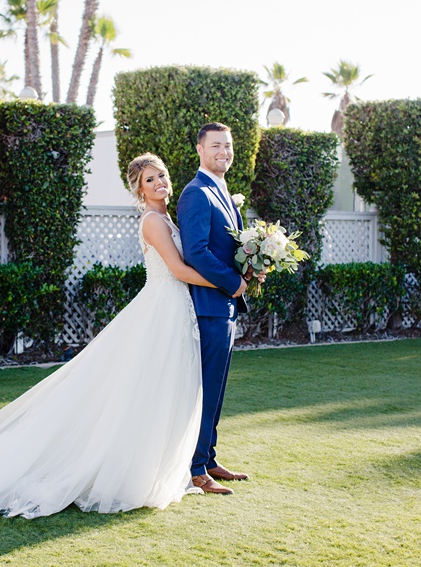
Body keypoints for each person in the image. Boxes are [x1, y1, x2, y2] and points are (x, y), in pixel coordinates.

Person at [0, 153, 228, 526]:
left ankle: (152, 466)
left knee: (157, 389)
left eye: (161, 175)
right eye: (150, 180)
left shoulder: (167, 217)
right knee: (139, 389)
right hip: (160, 309)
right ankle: (128, 472)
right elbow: (178, 269)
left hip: (174, 311)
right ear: (139, 189)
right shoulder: (153, 221)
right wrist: (229, 281)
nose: (159, 182)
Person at [177, 122, 250, 496]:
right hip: (208, 307)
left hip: (225, 306)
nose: (225, 152)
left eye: (229, 146)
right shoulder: (195, 193)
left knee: (217, 389)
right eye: (217, 145)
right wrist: (234, 282)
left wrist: (253, 267)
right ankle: (193, 469)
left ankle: (208, 458)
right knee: (204, 389)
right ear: (200, 150)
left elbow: (228, 248)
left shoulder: (220, 190)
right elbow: (196, 252)